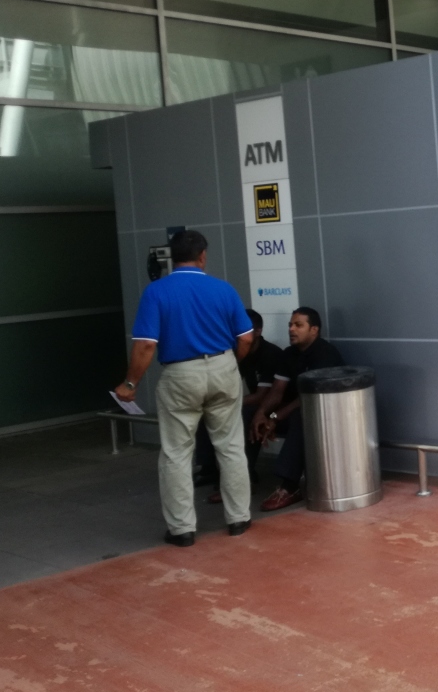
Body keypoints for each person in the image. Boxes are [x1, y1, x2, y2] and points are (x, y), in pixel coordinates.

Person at [114, 229, 255, 546]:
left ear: (171, 257)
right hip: (223, 366)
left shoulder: (156, 292)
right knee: (231, 447)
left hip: (180, 374)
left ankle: (182, 530)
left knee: (176, 454)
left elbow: (146, 345)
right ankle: (238, 519)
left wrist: (130, 383)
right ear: (203, 256)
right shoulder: (223, 288)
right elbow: (246, 338)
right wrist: (229, 363)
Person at [251, 306, 345, 512]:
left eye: (298, 325)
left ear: (314, 330)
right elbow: (277, 391)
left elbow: (308, 398)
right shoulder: (289, 353)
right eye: (290, 325)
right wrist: (261, 414)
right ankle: (243, 477)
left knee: (302, 416)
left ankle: (289, 487)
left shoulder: (325, 354)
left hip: (324, 417)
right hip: (290, 412)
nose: (291, 329)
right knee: (249, 414)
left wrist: (275, 417)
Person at [194, 308, 283, 503]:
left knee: (244, 415)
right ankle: (210, 469)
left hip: (274, 410)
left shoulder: (269, 354)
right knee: (207, 411)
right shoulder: (240, 352)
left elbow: (262, 397)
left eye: (244, 329)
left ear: (258, 331)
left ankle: (244, 478)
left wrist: (228, 403)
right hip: (257, 404)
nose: (238, 333)